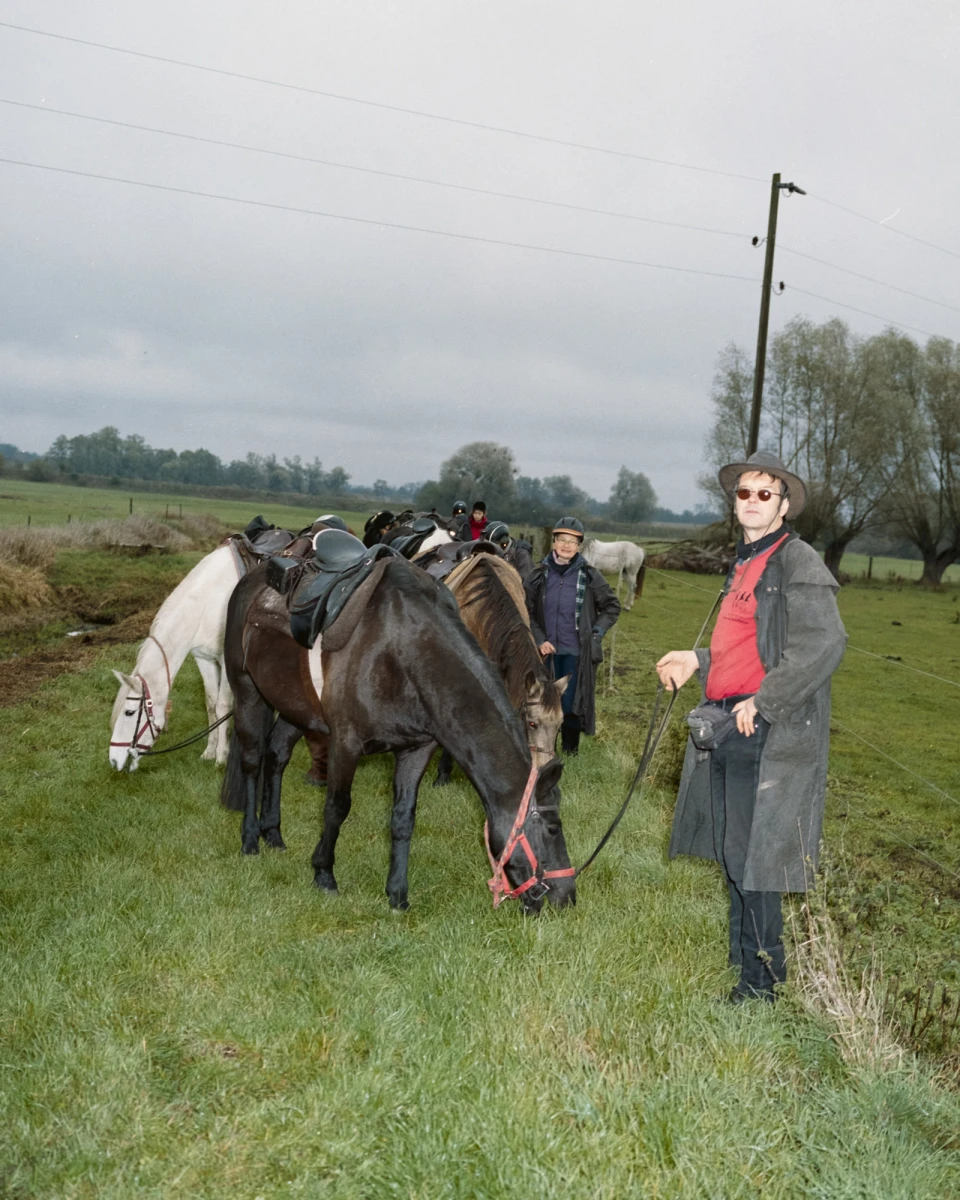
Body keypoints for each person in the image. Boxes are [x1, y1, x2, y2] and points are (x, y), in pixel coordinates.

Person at [656, 451, 847, 1004]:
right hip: (727, 721)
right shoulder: (745, 562)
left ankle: (761, 985)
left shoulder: (797, 561)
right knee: (735, 852)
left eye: (765, 494)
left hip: (762, 730)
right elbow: (748, 646)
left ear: (784, 506)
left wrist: (765, 702)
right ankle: (747, 965)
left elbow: (822, 644)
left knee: (756, 859)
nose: (752, 501)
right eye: (744, 492)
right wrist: (698, 660)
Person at [525, 517, 621, 756]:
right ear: (554, 542)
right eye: (562, 540)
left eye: (572, 542)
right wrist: (539, 639)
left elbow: (611, 606)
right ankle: (542, 750)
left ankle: (570, 754)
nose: (566, 546)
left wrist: (596, 633)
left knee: (570, 705)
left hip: (575, 651)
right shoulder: (538, 575)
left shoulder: (589, 576)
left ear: (579, 546)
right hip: (545, 652)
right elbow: (525, 609)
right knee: (541, 703)